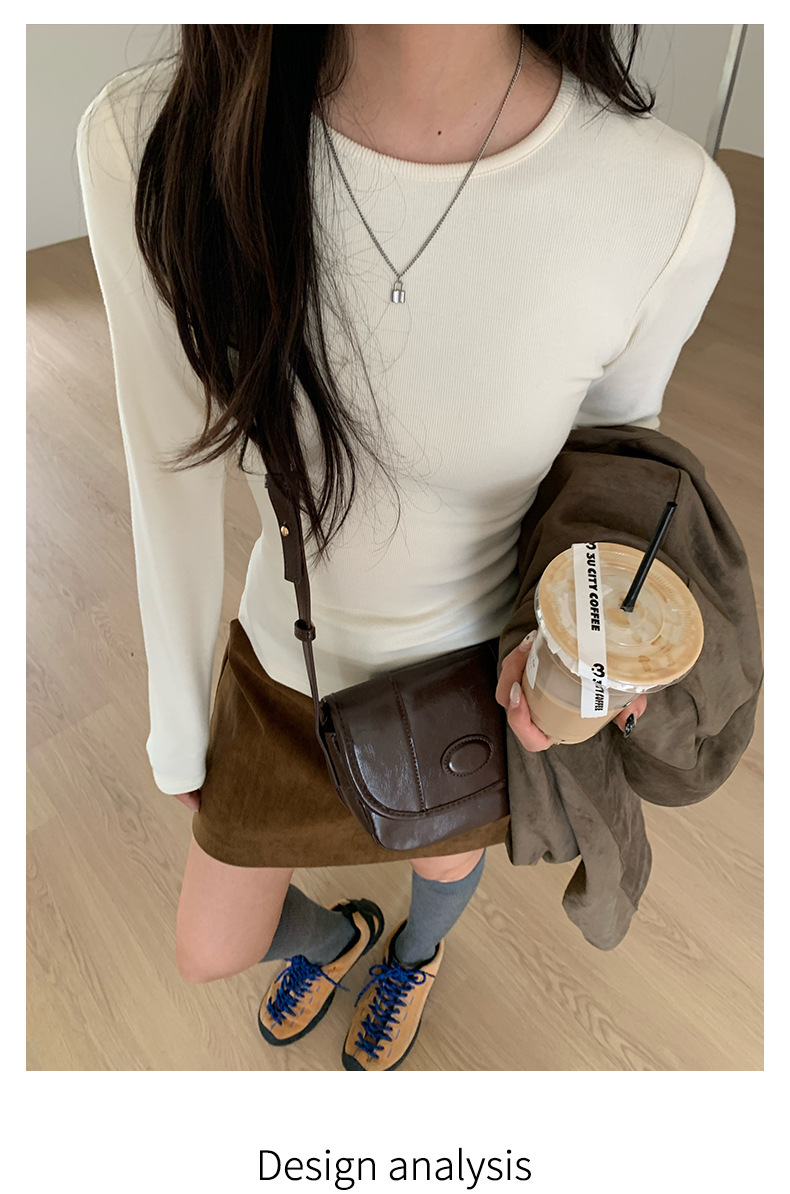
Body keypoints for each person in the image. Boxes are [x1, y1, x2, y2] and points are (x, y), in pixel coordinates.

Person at [77, 24, 735, 1070]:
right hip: (285, 674)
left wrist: (586, 649)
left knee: (442, 864)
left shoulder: (666, 198)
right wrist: (176, 724)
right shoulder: (154, 136)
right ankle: (339, 938)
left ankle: (414, 960)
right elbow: (169, 469)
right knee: (212, 946)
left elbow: (609, 466)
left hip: (473, 685)